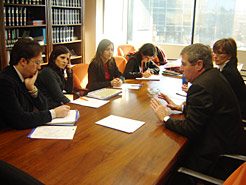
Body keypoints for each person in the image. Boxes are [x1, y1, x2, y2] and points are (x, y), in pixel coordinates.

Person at [150, 43, 246, 184]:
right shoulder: (213, 76)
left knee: (163, 165)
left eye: (184, 64)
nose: (180, 69)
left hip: (217, 159)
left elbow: (191, 129)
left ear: (199, 65)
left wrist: (165, 117)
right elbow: (207, 110)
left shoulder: (201, 87)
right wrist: (181, 108)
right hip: (230, 144)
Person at [0, 38, 70, 130]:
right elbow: (19, 119)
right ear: (23, 61)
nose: (39, 67)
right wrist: (53, 113)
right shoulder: (5, 81)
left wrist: (32, 89)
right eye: (37, 63)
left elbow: (44, 106)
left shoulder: (27, 76)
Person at [213, 38, 246, 119]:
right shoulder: (229, 68)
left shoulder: (228, 72)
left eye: (219, 53)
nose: (215, 56)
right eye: (214, 53)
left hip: (236, 115)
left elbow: (218, 97)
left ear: (229, 56)